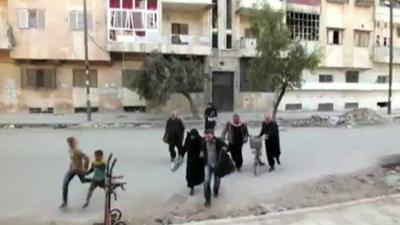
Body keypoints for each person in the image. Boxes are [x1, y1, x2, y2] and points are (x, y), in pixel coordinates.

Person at [60, 137, 90, 209]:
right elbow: (73, 160)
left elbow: (87, 158)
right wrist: (70, 167)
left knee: (83, 180)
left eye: (71, 143)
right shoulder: (70, 150)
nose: (70, 144)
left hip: (79, 170)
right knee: (65, 184)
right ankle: (64, 202)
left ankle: (96, 180)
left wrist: (85, 168)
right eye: (69, 143)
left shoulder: (77, 151)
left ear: (74, 143)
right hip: (72, 170)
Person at [201, 129, 228, 207]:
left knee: (217, 180)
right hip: (207, 165)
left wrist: (225, 149)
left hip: (217, 165)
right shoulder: (203, 142)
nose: (207, 139)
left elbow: (227, 147)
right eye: (206, 137)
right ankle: (207, 200)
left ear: (212, 135)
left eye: (209, 137)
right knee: (206, 182)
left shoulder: (218, 142)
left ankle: (216, 190)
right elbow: (200, 149)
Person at [183, 129, 205, 196]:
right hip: (190, 160)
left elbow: (203, 148)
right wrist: (181, 154)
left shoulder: (200, 140)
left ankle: (199, 183)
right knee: (189, 174)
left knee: (197, 174)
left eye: (194, 136)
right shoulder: (188, 140)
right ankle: (191, 187)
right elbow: (185, 147)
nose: (192, 137)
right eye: (192, 136)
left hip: (198, 161)